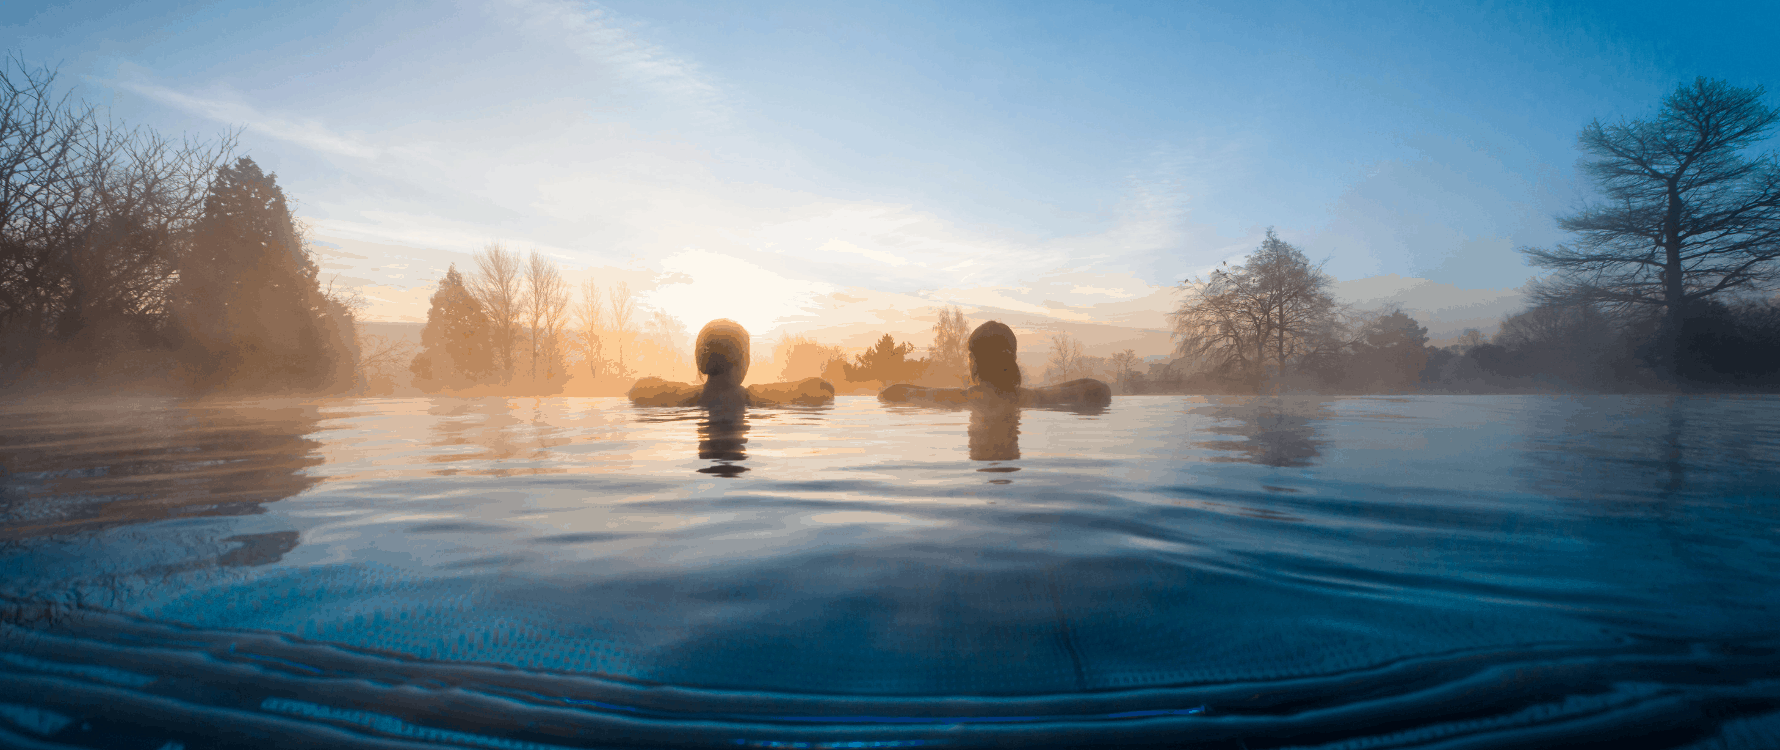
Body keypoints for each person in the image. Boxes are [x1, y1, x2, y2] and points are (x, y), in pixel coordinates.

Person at [877, 320, 1112, 407]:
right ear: (1013, 358)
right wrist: (1044, 392)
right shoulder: (1037, 399)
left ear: (973, 361)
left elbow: (891, 393)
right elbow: (1100, 389)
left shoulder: (956, 399)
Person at [628, 319, 835, 407]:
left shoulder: (688, 398)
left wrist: (687, 393)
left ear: (700, 361)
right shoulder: (753, 398)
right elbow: (823, 389)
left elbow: (637, 390)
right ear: (743, 361)